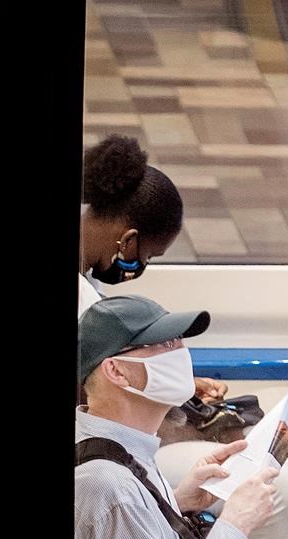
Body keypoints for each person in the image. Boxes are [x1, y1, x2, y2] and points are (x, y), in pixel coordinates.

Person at [76, 295, 279, 539]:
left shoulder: (121, 444)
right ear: (116, 371)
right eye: (164, 343)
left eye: (178, 340)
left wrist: (176, 500)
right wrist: (236, 525)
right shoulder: (112, 488)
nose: (180, 350)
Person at [78, 133, 224, 402]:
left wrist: (184, 389)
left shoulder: (86, 275)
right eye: (148, 256)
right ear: (128, 240)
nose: (141, 265)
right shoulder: (82, 300)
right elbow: (95, 392)